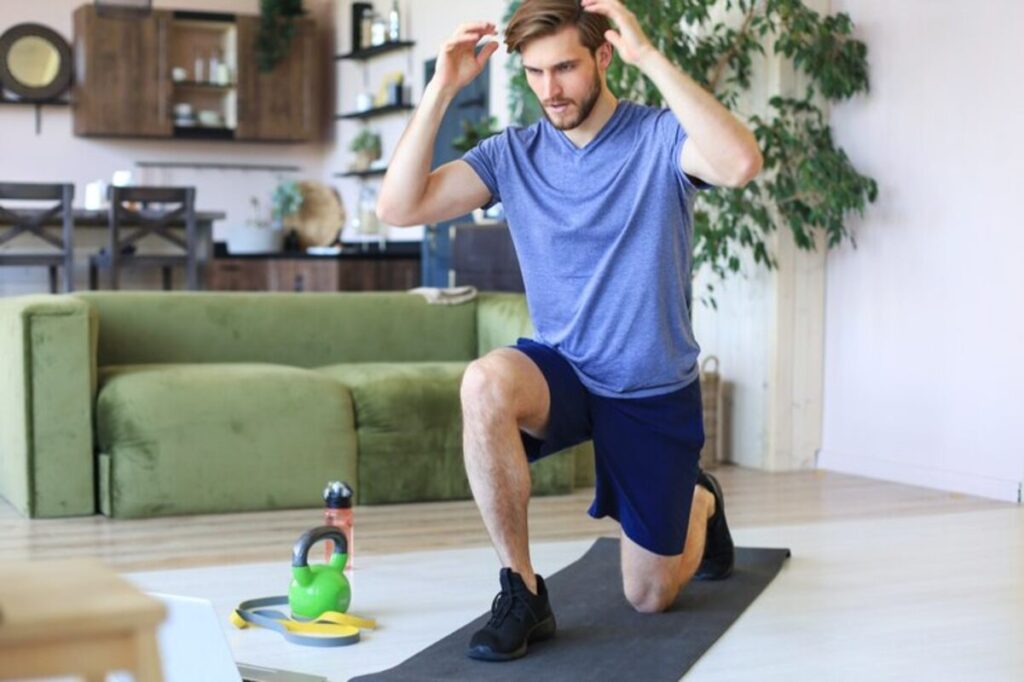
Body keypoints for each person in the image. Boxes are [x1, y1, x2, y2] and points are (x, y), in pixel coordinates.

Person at [378, 0, 763, 662]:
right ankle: (522, 590)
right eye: (534, 73)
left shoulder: (660, 139)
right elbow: (399, 207)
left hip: (648, 387)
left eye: (564, 68)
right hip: (564, 370)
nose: (550, 90)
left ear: (604, 57)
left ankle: (698, 503)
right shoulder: (513, 155)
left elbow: (740, 165)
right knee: (484, 383)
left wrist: (651, 57)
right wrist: (443, 86)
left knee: (650, 596)